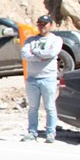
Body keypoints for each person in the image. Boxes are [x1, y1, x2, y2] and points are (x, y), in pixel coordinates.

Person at [21, 14, 63, 143]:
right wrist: (41, 58)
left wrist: (35, 53)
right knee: (33, 108)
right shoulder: (30, 40)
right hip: (32, 78)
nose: (41, 26)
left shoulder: (56, 40)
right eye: (39, 24)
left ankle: (50, 133)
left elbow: (51, 53)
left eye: (44, 24)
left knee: (50, 107)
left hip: (48, 78)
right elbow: (24, 54)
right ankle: (32, 132)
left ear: (50, 25)